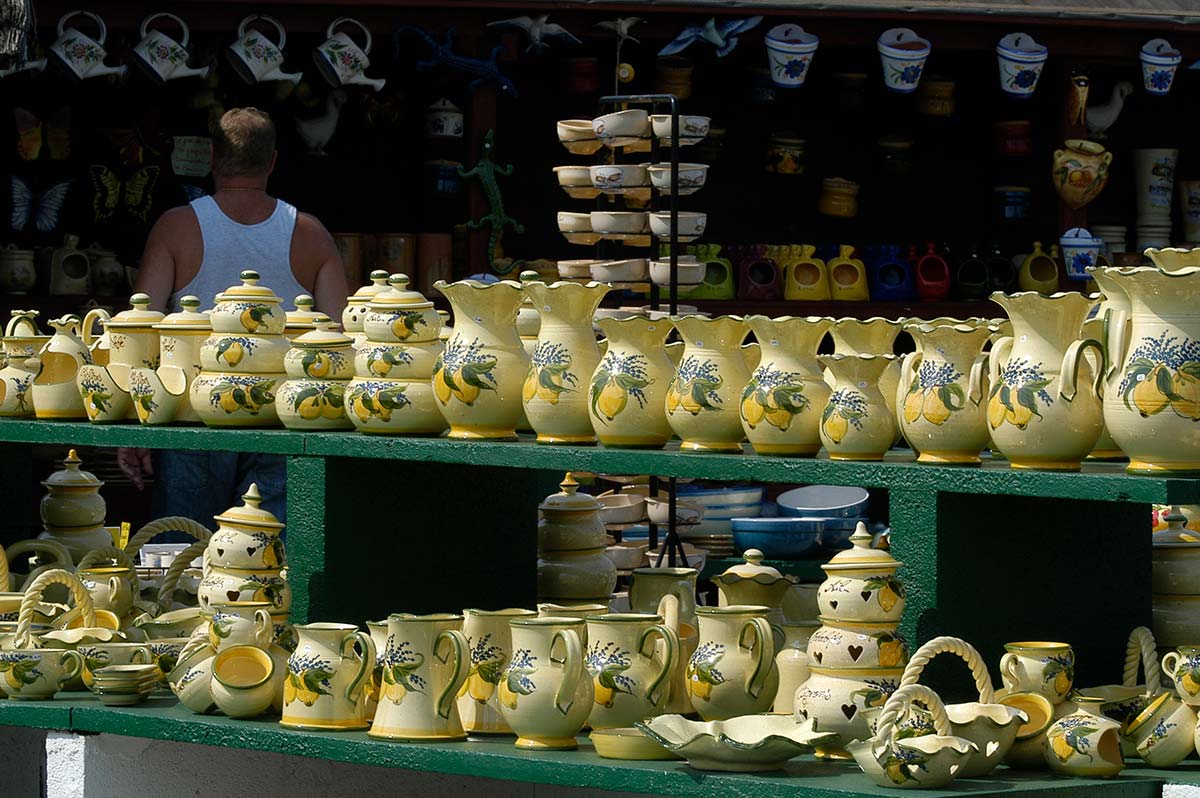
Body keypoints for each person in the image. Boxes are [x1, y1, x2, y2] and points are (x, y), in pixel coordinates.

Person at [118, 107, 348, 529]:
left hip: (192, 419)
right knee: (272, 563)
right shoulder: (311, 234)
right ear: (273, 161)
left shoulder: (176, 227)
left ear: (212, 158)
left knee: (179, 558)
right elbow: (339, 341)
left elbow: (139, 332)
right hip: (282, 421)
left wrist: (137, 425)